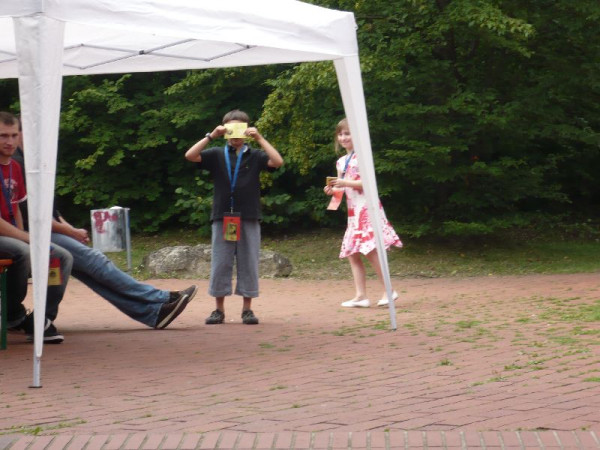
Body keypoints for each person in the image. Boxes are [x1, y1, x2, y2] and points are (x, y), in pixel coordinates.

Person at [13, 114, 196, 330]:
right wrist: (70, 232)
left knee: (91, 271)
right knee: (95, 261)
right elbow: (34, 216)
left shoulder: (33, 162)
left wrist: (70, 228)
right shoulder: (18, 163)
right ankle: (161, 298)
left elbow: (51, 209)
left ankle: (153, 313)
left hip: (48, 230)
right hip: (35, 234)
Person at [185, 109, 284, 325]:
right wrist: (211, 135)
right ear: (225, 130)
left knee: (249, 261)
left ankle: (247, 309)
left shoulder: (255, 155)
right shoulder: (217, 154)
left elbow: (277, 162)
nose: (235, 134)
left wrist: (259, 138)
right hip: (223, 215)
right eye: (231, 128)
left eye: (239, 128)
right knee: (221, 262)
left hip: (248, 215)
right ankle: (218, 309)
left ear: (247, 129)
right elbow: (190, 155)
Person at [0, 111, 72, 343]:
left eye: (13, 135)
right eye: (3, 136)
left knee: (61, 257)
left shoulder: (15, 167)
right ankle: (13, 315)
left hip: (13, 235)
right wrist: (26, 239)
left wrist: (24, 234)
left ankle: (42, 319)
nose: (10, 141)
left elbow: (16, 209)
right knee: (23, 251)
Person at [324, 118, 402, 308]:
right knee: (353, 252)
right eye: (340, 134)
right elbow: (341, 189)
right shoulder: (341, 162)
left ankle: (389, 290)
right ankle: (361, 296)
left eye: (347, 133)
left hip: (367, 208)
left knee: (371, 251)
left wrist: (344, 183)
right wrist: (332, 191)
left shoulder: (362, 157)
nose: (343, 138)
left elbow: (368, 183)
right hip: (354, 212)